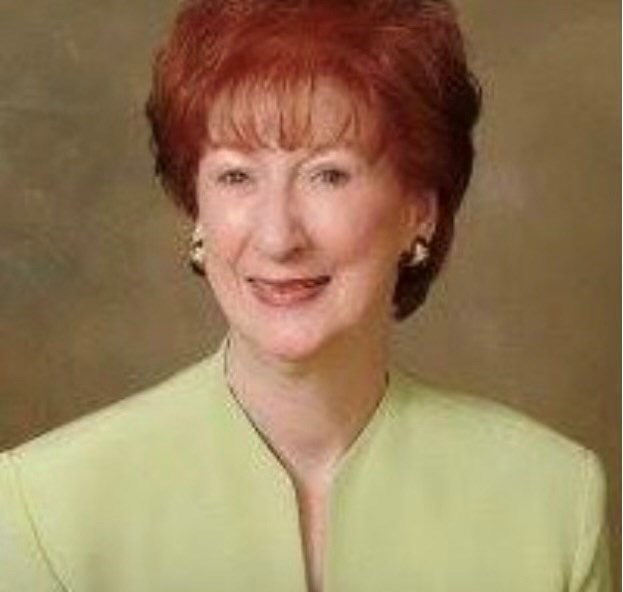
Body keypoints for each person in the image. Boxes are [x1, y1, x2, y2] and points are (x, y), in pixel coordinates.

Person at [0, 0, 612, 590]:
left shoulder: (553, 501)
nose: (278, 236)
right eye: (236, 175)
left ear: (418, 212)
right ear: (198, 211)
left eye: (329, 174)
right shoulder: (44, 508)